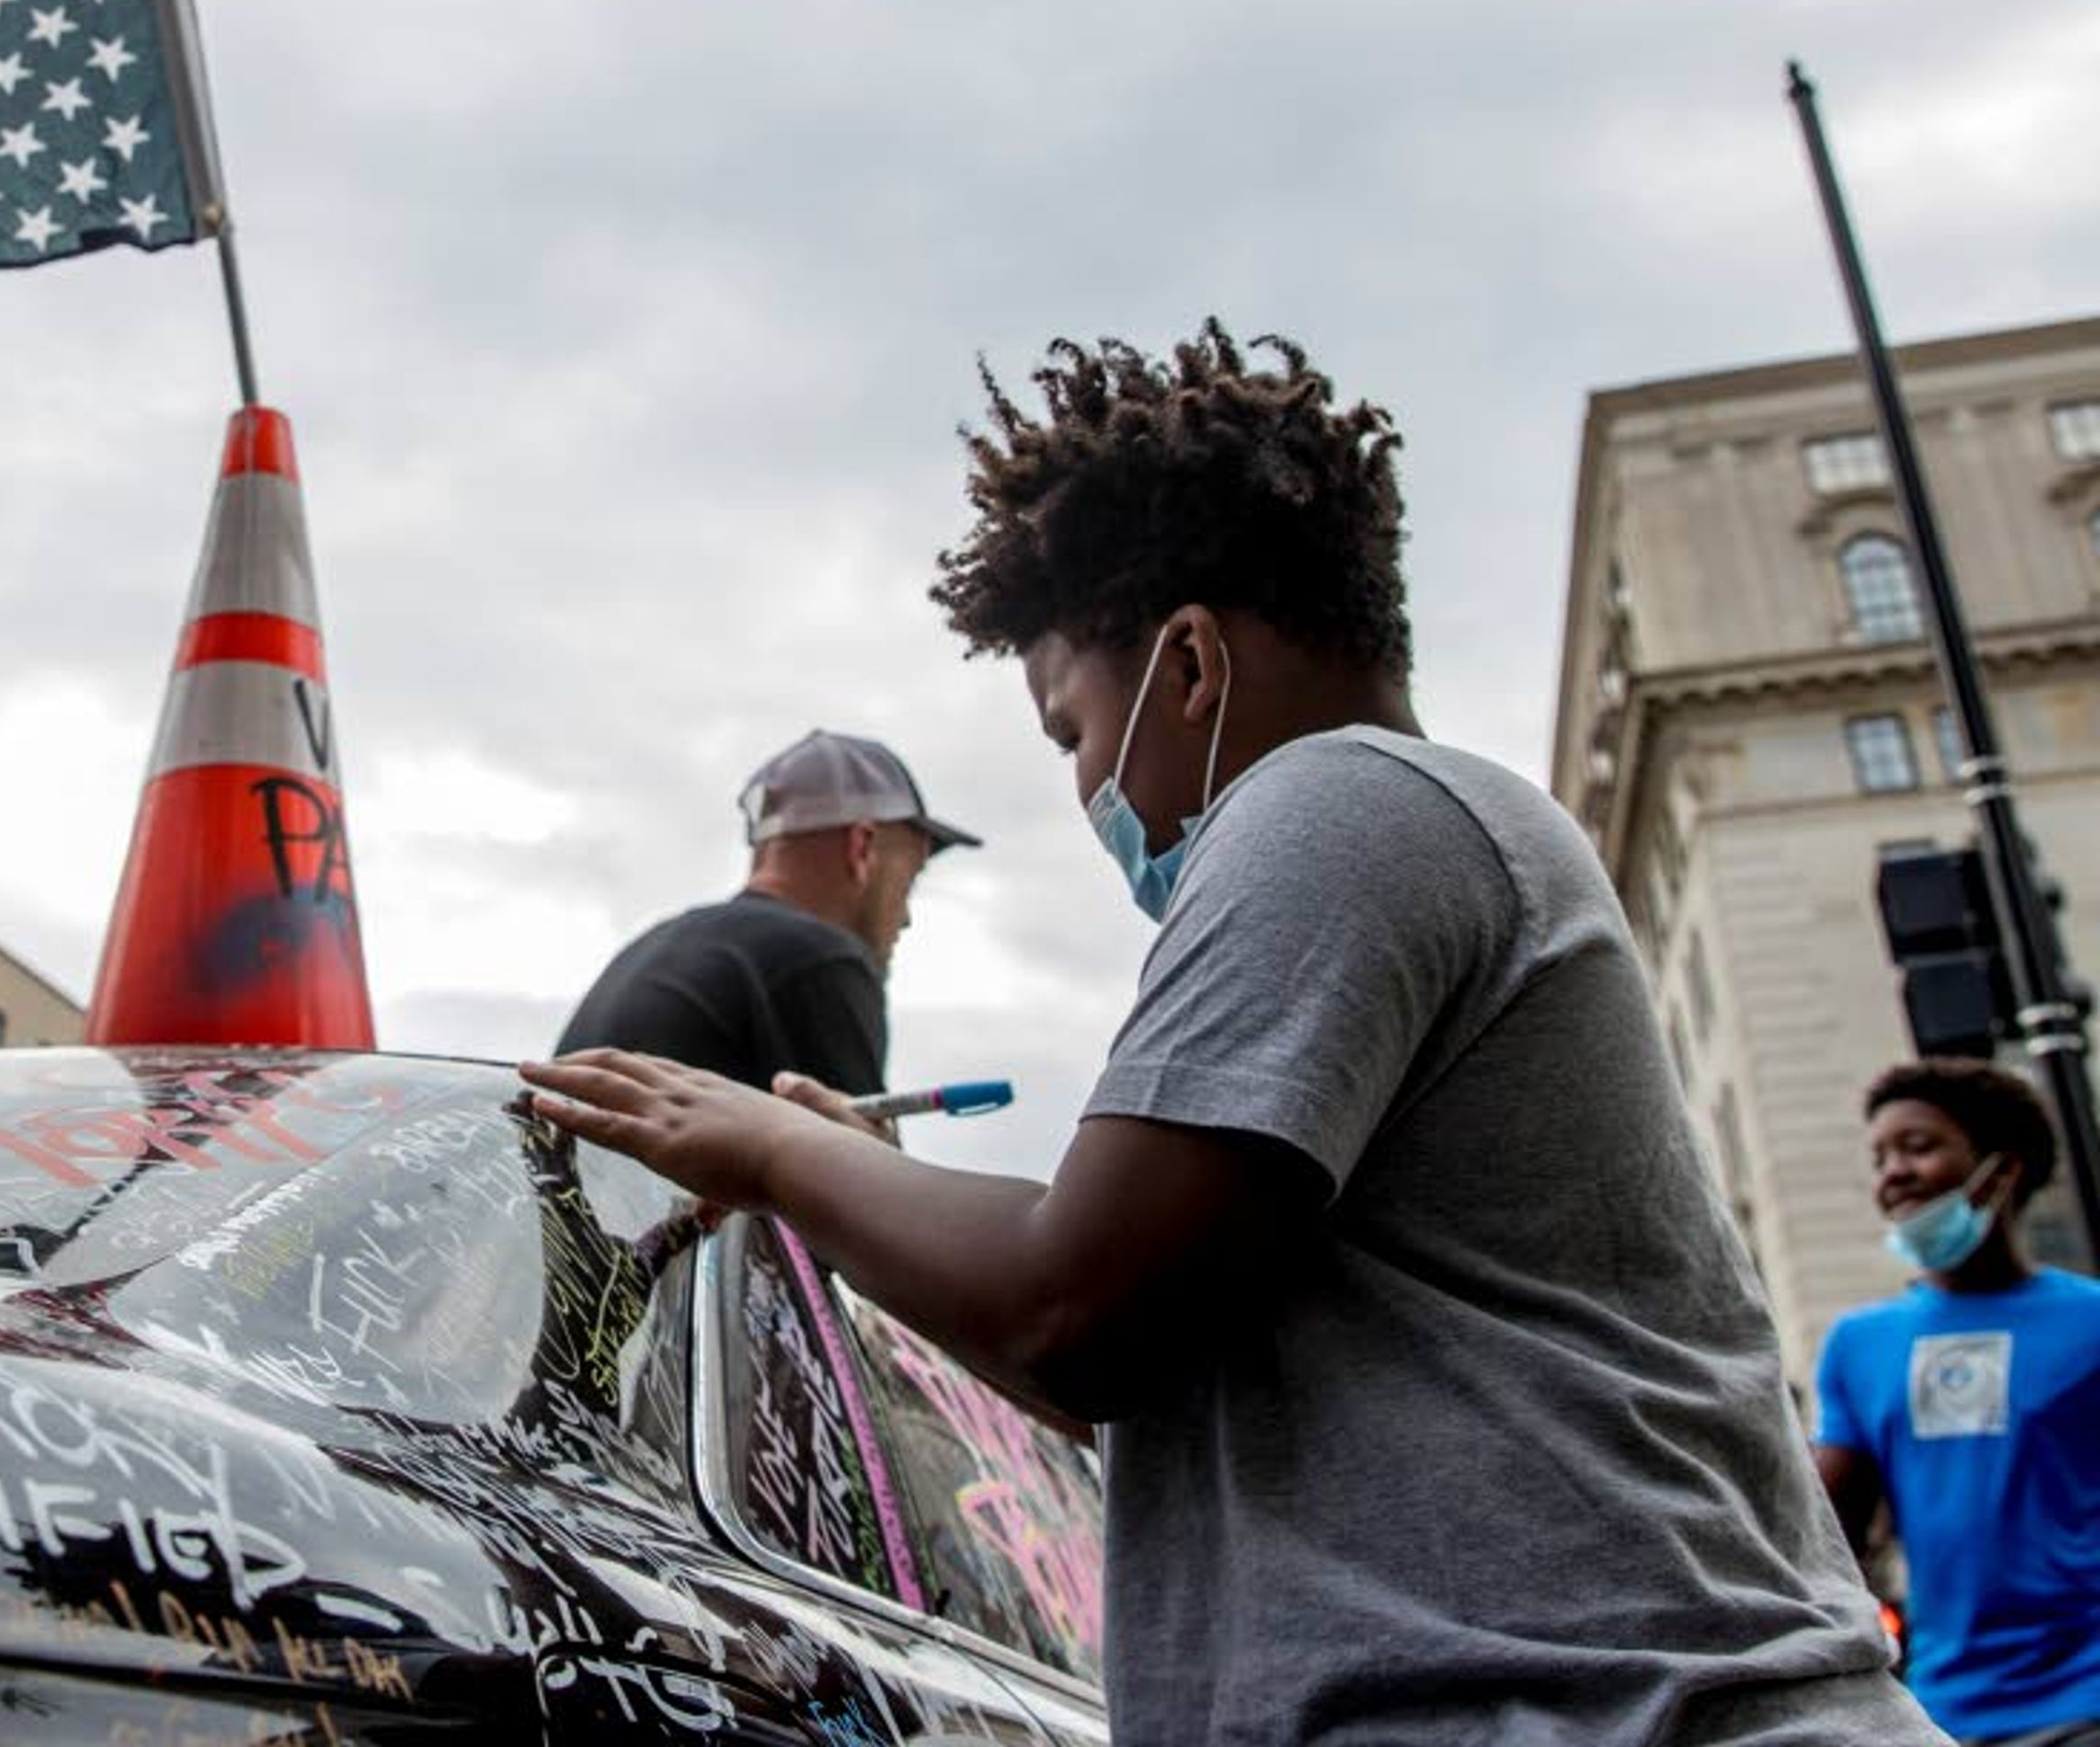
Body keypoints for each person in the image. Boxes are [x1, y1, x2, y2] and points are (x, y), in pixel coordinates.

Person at [524, 324, 1941, 1743]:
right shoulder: (1423, 829)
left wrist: (772, 1151)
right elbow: (1151, 1371)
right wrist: (856, 1180)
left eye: (1071, 730)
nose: (1086, 786)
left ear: (1190, 666)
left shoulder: (1337, 807)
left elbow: (1069, 1310)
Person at [1814, 1058, 2100, 1744]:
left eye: (1918, 1147)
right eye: (1880, 1157)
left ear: (1999, 1172)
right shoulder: (1859, 1344)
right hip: (1943, 1714)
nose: (1893, 1174)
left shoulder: (2091, 1323)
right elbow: (1830, 1542)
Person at [551, 729, 972, 1096]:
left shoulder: (652, 947)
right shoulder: (817, 958)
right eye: (908, 881)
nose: (905, 919)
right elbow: (867, 1179)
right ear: (861, 847)